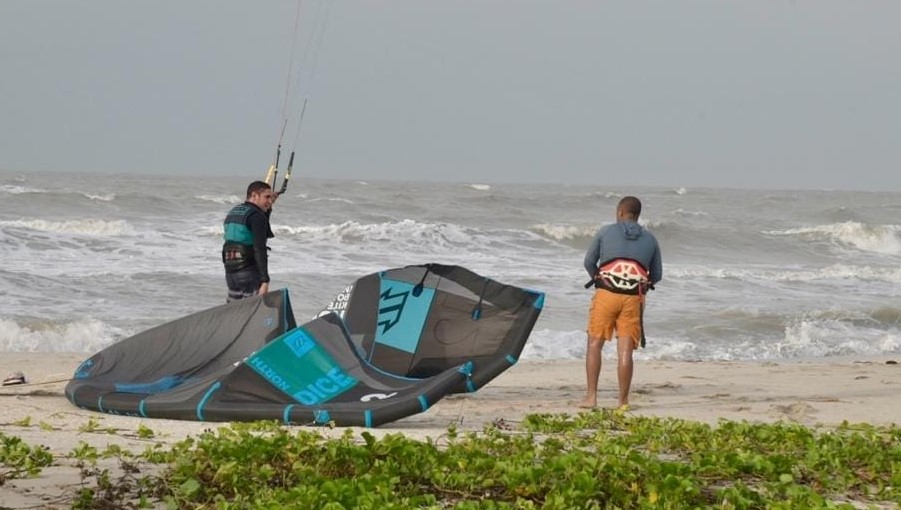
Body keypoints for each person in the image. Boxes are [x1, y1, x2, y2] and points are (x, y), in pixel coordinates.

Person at [581, 196, 662, 410]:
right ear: (638, 215)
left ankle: (591, 397)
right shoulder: (651, 239)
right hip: (633, 298)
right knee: (625, 351)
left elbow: (589, 262)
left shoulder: (605, 232)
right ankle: (623, 401)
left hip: (606, 294)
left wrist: (598, 278)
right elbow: (657, 275)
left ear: (619, 212)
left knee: (594, 345)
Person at [222, 181, 277, 302]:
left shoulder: (233, 212)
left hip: (231, 274)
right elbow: (259, 249)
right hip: (249, 273)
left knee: (235, 312)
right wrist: (265, 281)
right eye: (267, 197)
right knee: (254, 311)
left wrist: (267, 208)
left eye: (271, 198)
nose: (270, 201)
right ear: (254, 195)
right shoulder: (257, 216)